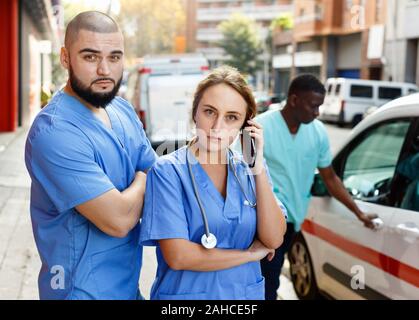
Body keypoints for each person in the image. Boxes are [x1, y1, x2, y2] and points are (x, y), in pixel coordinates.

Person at [24, 11, 157, 299]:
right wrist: (143, 180)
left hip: (128, 288)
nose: (105, 70)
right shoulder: (53, 132)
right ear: (65, 58)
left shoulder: (122, 110)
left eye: (114, 57)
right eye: (90, 56)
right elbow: (119, 220)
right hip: (79, 291)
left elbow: (158, 175)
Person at [139, 66, 287, 300]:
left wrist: (257, 167)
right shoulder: (167, 171)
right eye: (210, 112)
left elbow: (274, 238)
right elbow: (179, 257)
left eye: (232, 117)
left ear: (245, 126)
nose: (218, 127)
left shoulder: (251, 170)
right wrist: (249, 254)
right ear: (194, 113)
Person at [256, 74, 378, 300]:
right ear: (293, 100)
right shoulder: (261, 127)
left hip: (293, 222)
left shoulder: (318, 132)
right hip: (263, 222)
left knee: (268, 282)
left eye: (319, 107)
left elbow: (330, 177)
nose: (317, 112)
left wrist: (359, 212)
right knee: (267, 285)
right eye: (313, 106)